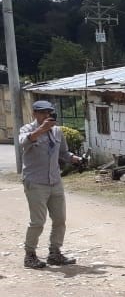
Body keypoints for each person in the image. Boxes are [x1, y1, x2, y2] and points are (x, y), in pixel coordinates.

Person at [19, 99, 82, 269]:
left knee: (60, 219)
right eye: (43, 112)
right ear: (35, 114)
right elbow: (23, 142)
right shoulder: (27, 129)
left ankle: (55, 253)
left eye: (49, 112)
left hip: (55, 180)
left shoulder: (57, 132)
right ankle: (30, 255)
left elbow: (63, 153)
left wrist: (74, 158)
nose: (47, 115)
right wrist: (41, 130)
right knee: (38, 221)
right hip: (35, 181)